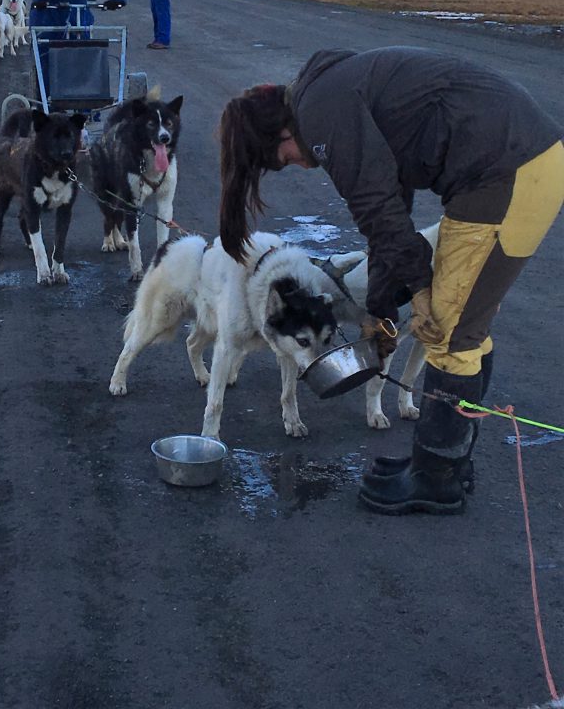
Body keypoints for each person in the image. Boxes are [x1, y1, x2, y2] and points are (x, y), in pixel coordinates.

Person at [218, 46, 563, 516]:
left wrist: (420, 290)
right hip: (516, 165)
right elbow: (387, 212)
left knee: (449, 331)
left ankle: (436, 479)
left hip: (505, 172)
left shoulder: (322, 112)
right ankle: (446, 464)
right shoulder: (327, 95)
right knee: (462, 326)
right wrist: (379, 311)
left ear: (281, 131)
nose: (297, 165)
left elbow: (379, 209)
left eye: (282, 159)